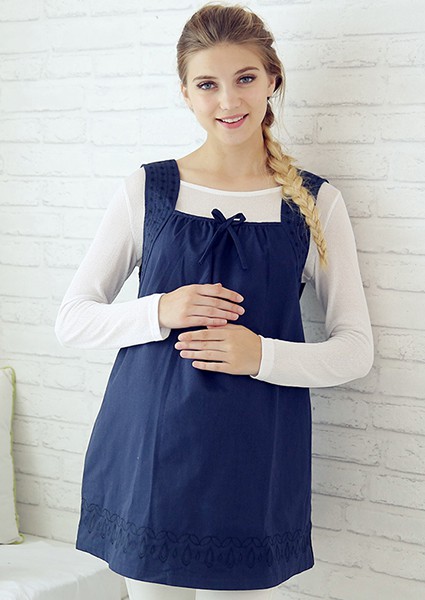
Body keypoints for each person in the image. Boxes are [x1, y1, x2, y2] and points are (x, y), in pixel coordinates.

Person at [55, 3, 373, 600]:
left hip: (255, 456)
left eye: (245, 78)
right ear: (185, 93)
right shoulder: (149, 189)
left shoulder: (314, 202)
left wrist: (262, 355)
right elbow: (72, 319)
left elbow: (356, 350)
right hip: (149, 451)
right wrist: (161, 310)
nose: (228, 100)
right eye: (207, 84)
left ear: (272, 79)